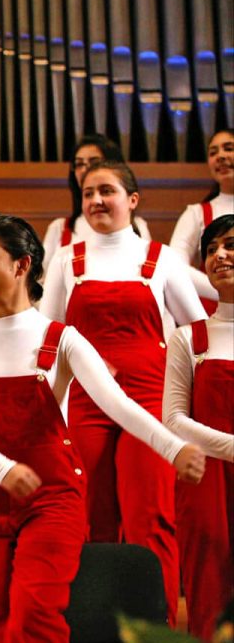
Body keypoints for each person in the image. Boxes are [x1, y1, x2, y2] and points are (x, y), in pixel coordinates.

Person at [0, 213, 204, 643]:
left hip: (51, 499)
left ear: (21, 265)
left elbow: (119, 405)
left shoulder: (63, 338)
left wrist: (173, 449)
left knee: (34, 616)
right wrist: (2, 469)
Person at [40, 161, 207, 624]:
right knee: (91, 516)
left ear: (132, 200)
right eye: (89, 193)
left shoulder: (161, 259)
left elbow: (197, 334)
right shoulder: (66, 258)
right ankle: (96, 624)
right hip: (87, 402)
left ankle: (160, 628)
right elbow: (47, 332)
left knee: (150, 517)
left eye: (107, 191)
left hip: (151, 401)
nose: (96, 201)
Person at [162, 213, 234, 640]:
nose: (219, 255)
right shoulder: (188, 338)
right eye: (211, 249)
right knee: (210, 587)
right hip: (206, 480)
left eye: (230, 245)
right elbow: (174, 420)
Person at [41, 135, 151, 272]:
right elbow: (41, 281)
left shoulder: (138, 227)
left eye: (94, 162)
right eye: (79, 164)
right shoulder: (60, 228)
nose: (84, 170)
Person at [167, 128, 233, 303]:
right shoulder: (197, 214)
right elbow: (174, 265)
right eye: (213, 152)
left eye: (229, 148)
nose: (220, 156)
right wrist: (224, 291)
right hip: (214, 314)